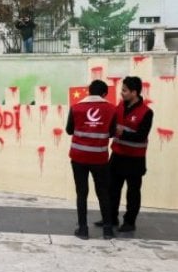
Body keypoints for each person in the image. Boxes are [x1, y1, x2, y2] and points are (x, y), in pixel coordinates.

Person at [95, 76, 154, 233]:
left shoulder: (146, 112)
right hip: (117, 155)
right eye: (122, 89)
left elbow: (141, 135)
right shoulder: (119, 106)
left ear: (134, 92)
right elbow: (112, 125)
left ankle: (129, 222)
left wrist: (122, 133)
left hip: (135, 159)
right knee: (112, 189)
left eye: (125, 90)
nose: (121, 93)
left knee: (133, 192)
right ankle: (111, 218)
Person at [66, 80, 116, 240]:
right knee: (103, 193)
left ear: (89, 91)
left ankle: (83, 229)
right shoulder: (111, 109)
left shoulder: (76, 107)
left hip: (78, 157)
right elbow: (113, 132)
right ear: (104, 94)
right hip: (99, 158)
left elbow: (69, 130)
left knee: (81, 193)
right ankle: (108, 230)